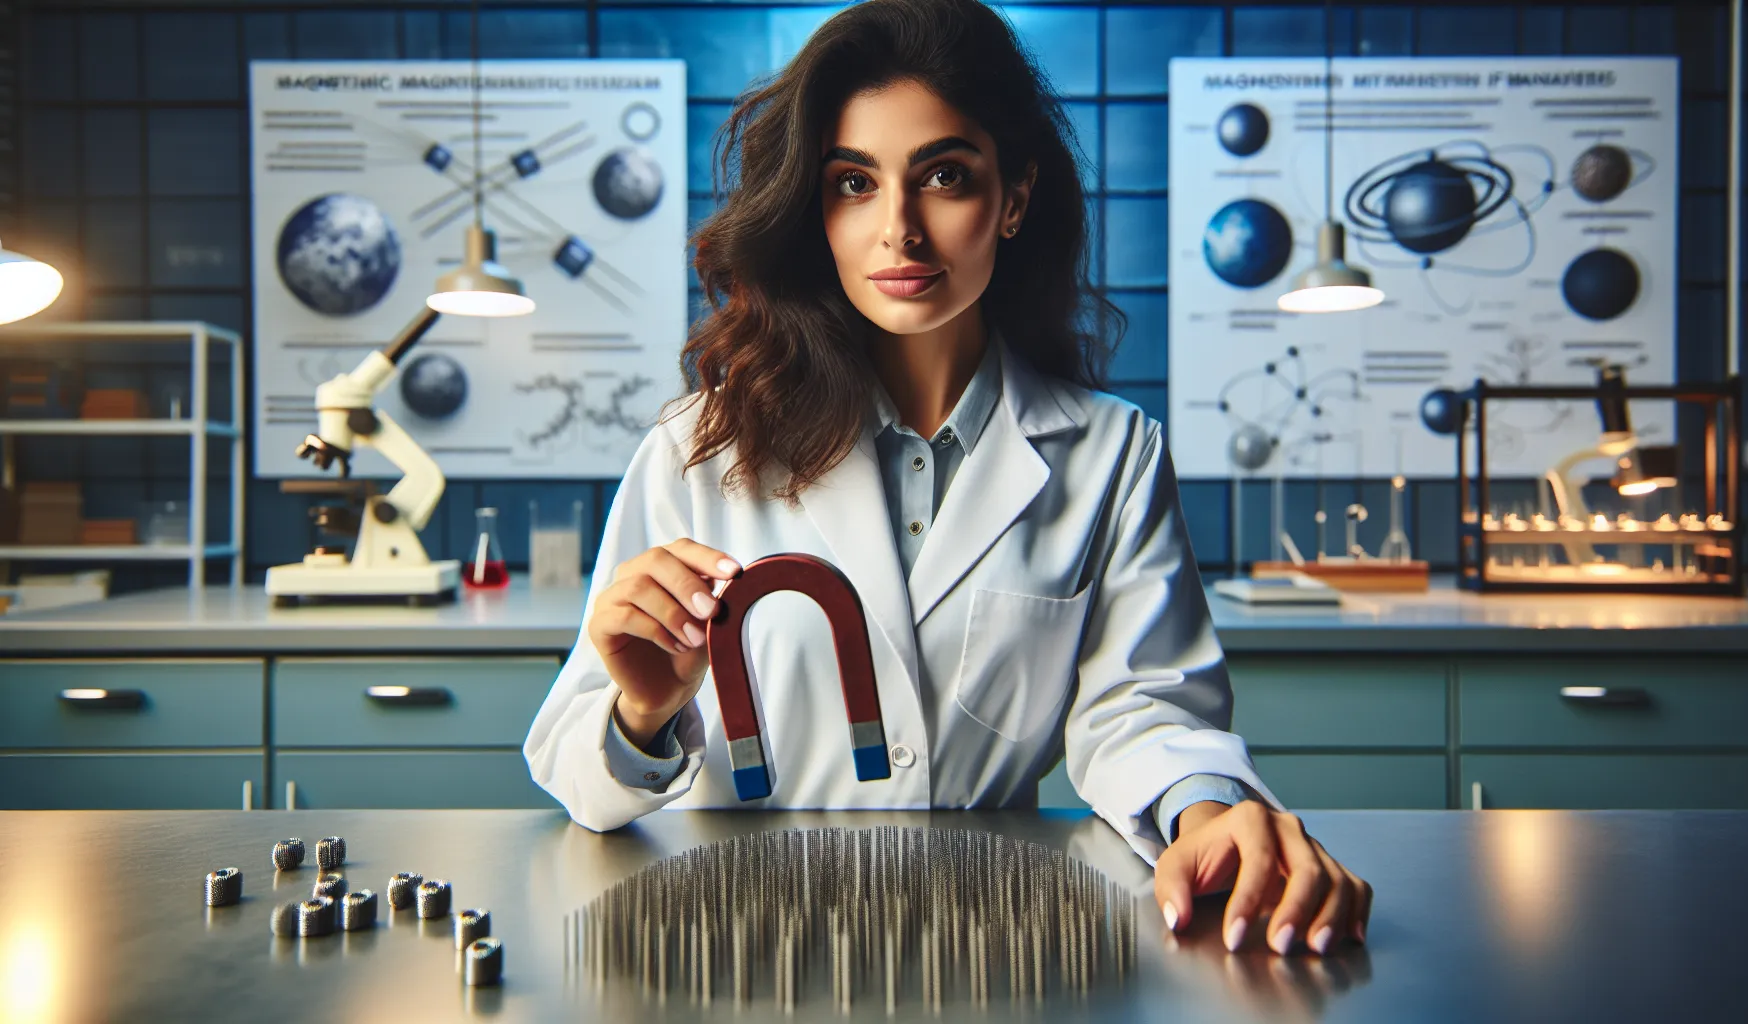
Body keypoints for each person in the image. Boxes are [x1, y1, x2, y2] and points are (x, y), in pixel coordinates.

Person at [525, 0, 1370, 957]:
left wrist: (1207, 813)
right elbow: (576, 781)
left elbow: (1144, 709)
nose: (900, 230)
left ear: (1012, 199)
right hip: (748, 949)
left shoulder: (1111, 455)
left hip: (991, 946)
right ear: (814, 210)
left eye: (944, 177)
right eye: (853, 183)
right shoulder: (700, 449)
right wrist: (642, 713)